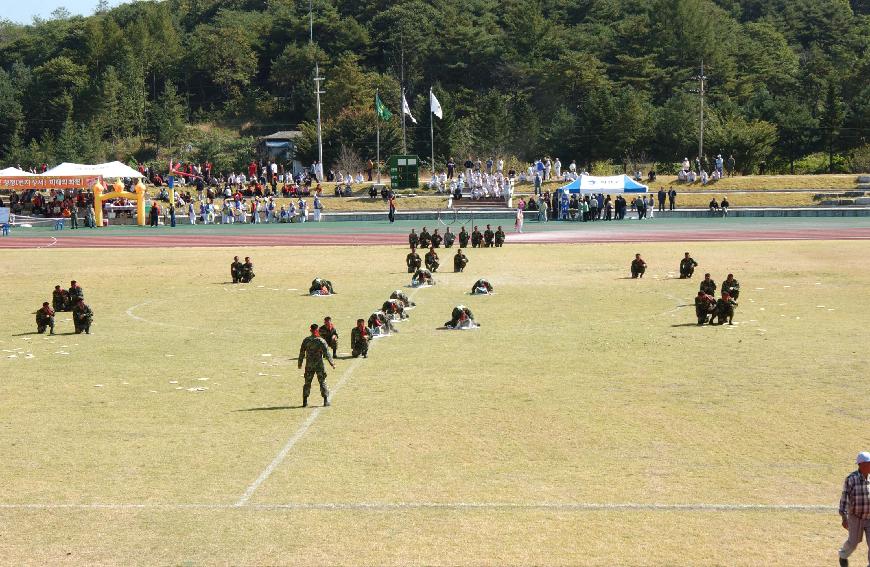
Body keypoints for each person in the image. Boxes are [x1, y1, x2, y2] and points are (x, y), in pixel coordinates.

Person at [839, 451, 870, 567]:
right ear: (861, 465)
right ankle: (843, 556)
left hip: (869, 517)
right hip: (855, 517)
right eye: (869, 463)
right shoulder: (851, 479)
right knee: (853, 543)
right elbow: (844, 498)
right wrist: (844, 517)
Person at [298, 323, 334, 407]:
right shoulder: (321, 341)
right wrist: (332, 363)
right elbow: (327, 353)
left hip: (309, 365)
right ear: (317, 330)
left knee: (307, 382)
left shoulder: (306, 340)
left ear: (311, 330)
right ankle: (325, 401)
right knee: (322, 381)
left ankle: (305, 401)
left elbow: (301, 353)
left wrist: (300, 363)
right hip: (319, 365)